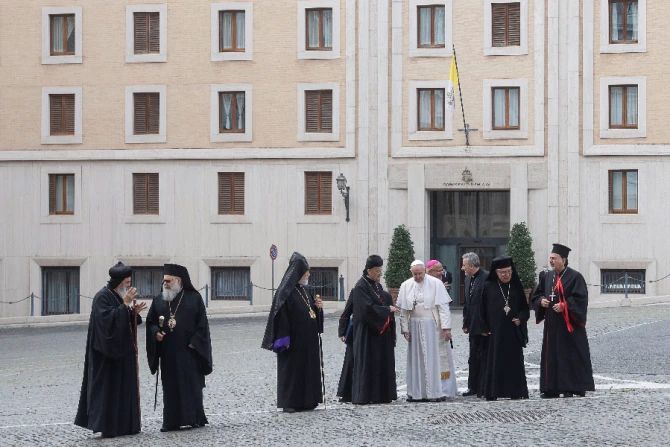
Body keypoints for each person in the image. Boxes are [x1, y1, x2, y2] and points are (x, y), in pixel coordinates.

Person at [75, 262, 146, 439]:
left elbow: (122, 319)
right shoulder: (102, 297)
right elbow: (107, 323)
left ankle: (126, 425)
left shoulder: (119, 296)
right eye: (127, 283)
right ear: (119, 282)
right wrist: (125, 305)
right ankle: (108, 427)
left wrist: (133, 313)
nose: (129, 286)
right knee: (108, 391)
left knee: (124, 389)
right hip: (106, 354)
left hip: (123, 353)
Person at [146, 264, 213, 431]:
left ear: (179, 281)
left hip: (188, 351)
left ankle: (193, 418)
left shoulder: (194, 298)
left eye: (168, 281)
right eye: (164, 281)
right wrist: (156, 333)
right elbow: (151, 322)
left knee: (191, 385)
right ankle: (171, 422)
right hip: (168, 352)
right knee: (170, 387)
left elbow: (202, 325)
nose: (165, 284)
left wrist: (195, 341)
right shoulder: (159, 300)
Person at [261, 252, 324, 413]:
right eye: (306, 271)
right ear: (298, 272)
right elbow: (281, 316)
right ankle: (290, 402)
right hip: (293, 341)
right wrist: (284, 339)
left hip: (308, 340)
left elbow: (310, 312)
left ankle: (309, 400)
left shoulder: (305, 290)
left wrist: (318, 308)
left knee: (308, 369)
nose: (308, 274)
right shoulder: (285, 292)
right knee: (292, 371)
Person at [532, 244, 595, 398]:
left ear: (564, 260)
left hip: (569, 326)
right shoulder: (547, 277)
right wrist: (541, 301)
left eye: (554, 258)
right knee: (552, 355)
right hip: (552, 325)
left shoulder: (575, 277)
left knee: (569, 355)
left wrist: (565, 306)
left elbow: (581, 299)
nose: (551, 261)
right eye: (550, 258)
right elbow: (537, 294)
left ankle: (571, 387)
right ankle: (551, 388)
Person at [398, 260, 457, 401]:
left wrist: (446, 328)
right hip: (414, 325)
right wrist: (405, 329)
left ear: (425, 270)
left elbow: (443, 308)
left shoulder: (436, 283)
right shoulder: (406, 285)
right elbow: (404, 311)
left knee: (433, 359)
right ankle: (417, 393)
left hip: (432, 326)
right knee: (416, 360)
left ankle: (436, 392)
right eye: (415, 274)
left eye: (420, 273)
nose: (418, 277)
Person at [479, 256, 529, 401]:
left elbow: (525, 309)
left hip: (512, 332)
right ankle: (492, 392)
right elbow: (480, 310)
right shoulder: (488, 287)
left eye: (509, 272)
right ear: (496, 273)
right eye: (503, 272)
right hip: (494, 333)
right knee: (494, 362)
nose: (507, 275)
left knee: (513, 362)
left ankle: (515, 391)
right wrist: (483, 327)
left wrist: (520, 319)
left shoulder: (516, 287)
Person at [351, 255, 399, 404]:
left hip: (380, 331)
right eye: (377, 271)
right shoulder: (360, 287)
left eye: (380, 271)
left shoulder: (377, 286)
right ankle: (368, 395)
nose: (380, 274)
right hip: (367, 332)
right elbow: (367, 309)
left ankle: (381, 394)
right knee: (369, 363)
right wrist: (387, 310)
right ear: (369, 270)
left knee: (381, 362)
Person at [461, 252, 489, 397]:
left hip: (484, 327)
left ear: (471, 266)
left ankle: (484, 387)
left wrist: (486, 326)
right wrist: (465, 323)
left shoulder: (487, 278)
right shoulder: (467, 280)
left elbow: (490, 305)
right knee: (473, 358)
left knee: (484, 357)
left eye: (464, 265)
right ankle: (473, 387)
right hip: (472, 326)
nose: (462, 268)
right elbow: (467, 304)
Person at [336, 290, 354, 403]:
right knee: (350, 361)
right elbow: (347, 312)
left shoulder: (379, 290)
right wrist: (342, 331)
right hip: (354, 332)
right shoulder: (357, 290)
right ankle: (346, 392)